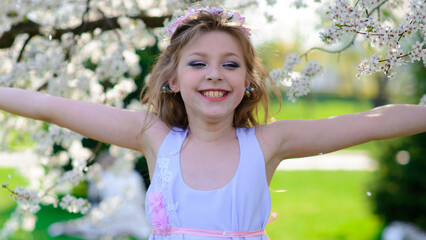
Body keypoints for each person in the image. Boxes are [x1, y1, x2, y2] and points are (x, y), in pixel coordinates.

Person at [0, 6, 425, 240]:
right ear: (172, 79)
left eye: (230, 64)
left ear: (248, 80)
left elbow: (374, 120)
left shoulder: (269, 142)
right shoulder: (153, 137)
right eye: (198, 63)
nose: (214, 74)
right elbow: (51, 106)